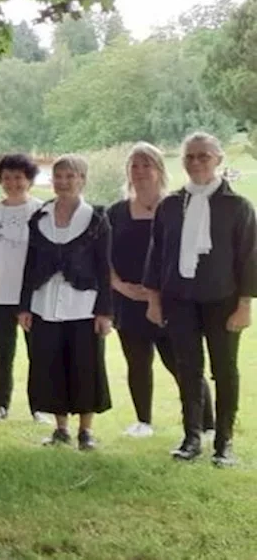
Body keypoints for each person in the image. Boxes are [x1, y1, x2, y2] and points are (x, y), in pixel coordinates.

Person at [145, 132, 255, 467]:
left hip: (223, 300)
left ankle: (224, 443)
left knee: (225, 370)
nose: (196, 163)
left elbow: (250, 258)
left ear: (218, 159)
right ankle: (192, 437)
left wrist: (245, 304)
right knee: (188, 369)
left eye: (203, 156)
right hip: (180, 299)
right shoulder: (170, 205)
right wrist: (153, 300)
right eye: (190, 157)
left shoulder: (237, 206)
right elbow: (157, 254)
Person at [109, 143, 213, 438]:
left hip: (170, 302)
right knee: (138, 364)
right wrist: (120, 286)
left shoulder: (177, 207)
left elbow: (187, 253)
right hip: (127, 302)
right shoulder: (116, 212)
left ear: (159, 169)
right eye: (134, 165)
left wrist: (157, 292)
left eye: (147, 164)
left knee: (184, 365)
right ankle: (143, 421)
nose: (140, 171)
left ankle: (206, 424)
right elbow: (102, 256)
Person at [18, 155, 113, 450]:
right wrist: (24, 306)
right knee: (52, 366)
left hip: (83, 305)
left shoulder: (96, 219)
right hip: (44, 304)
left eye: (70, 176)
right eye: (58, 176)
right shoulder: (39, 218)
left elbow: (104, 267)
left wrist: (105, 312)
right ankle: (61, 429)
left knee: (86, 366)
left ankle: (86, 431)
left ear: (82, 179)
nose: (63, 182)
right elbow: (30, 265)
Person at [0, 154, 47, 424]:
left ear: (28, 179)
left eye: (18, 177)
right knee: (3, 353)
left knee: (38, 353)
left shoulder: (43, 211)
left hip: (34, 296)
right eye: (7, 178)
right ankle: (0, 405)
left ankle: (39, 406)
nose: (13, 183)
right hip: (0, 295)